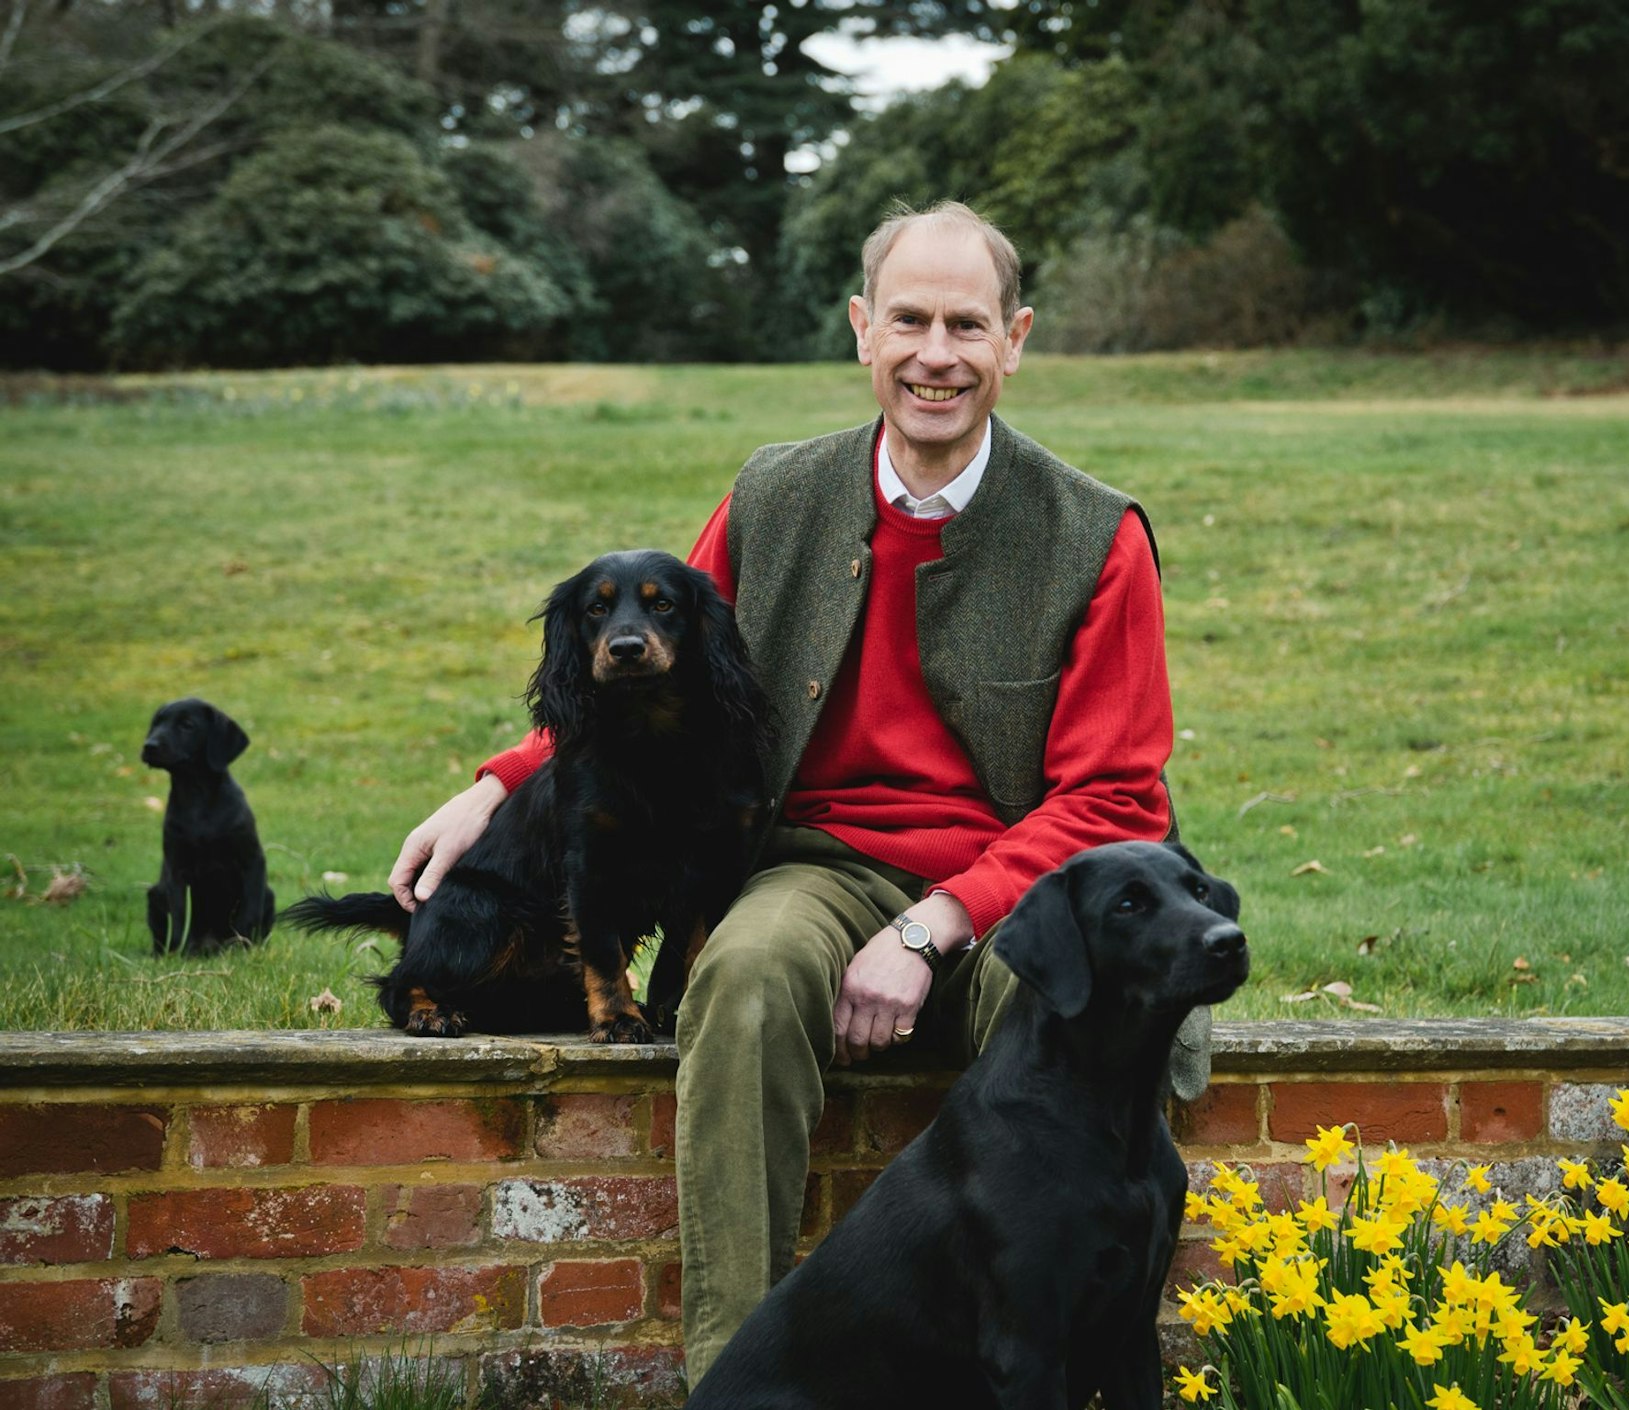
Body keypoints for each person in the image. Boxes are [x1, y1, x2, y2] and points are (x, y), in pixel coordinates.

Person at [386, 199, 1177, 1383]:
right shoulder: (773, 495)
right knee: (742, 979)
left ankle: (1038, 1369)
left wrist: (932, 924)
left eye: (967, 325)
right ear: (861, 330)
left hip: (1020, 885)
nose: (934, 356)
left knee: (1068, 1015)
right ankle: (735, 1379)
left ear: (1014, 339)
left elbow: (1115, 798)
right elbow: (644, 676)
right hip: (812, 861)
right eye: (907, 320)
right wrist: (495, 786)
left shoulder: (1094, 533)